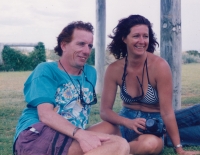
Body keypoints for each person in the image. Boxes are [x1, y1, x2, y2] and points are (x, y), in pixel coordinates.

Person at [13, 21, 130, 155]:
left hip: (69, 134)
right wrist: (81, 135)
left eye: (89, 45)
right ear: (64, 45)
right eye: (81, 44)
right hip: (38, 134)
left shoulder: (90, 73)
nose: (86, 51)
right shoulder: (46, 70)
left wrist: (81, 135)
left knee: (112, 129)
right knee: (119, 145)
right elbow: (45, 115)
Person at [100, 14, 200, 155]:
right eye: (136, 36)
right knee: (93, 132)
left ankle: (112, 150)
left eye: (145, 36)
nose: (142, 41)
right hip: (125, 119)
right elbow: (105, 111)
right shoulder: (114, 69)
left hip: (154, 122)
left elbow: (166, 112)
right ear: (124, 38)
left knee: (149, 144)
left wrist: (179, 149)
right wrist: (127, 122)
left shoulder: (159, 66)